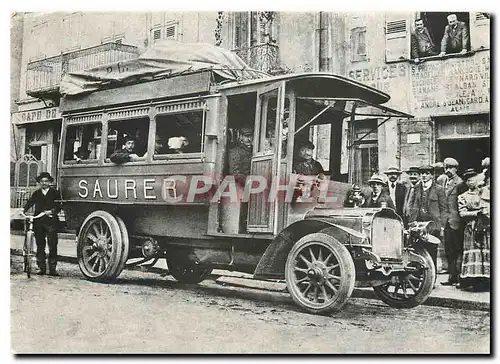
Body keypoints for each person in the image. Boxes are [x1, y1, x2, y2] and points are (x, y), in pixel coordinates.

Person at [408, 165, 448, 272]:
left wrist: (442, 226)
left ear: (431, 175)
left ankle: (431, 277)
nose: (424, 176)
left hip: (433, 226)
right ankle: (419, 278)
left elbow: (444, 209)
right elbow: (413, 206)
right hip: (418, 225)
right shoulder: (417, 188)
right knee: (417, 251)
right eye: (422, 174)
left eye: (427, 173)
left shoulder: (439, 189)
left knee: (431, 252)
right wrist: (412, 222)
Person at [21, 172, 61, 276]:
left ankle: (52, 269)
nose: (44, 183)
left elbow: (59, 206)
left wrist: (51, 211)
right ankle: (41, 268)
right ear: (39, 182)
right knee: (40, 246)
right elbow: (30, 203)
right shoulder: (37, 193)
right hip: (38, 222)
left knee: (52, 245)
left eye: (46, 181)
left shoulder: (55, 193)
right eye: (42, 181)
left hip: (51, 222)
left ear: (49, 182)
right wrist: (23, 210)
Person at [457, 168, 490, 291]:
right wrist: (477, 213)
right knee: (474, 252)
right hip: (471, 227)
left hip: (486, 226)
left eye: (472, 180)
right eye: (468, 180)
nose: (470, 182)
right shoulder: (463, 196)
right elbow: (462, 213)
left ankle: (486, 280)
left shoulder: (484, 193)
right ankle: (473, 281)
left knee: (485, 252)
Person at [441, 157, 464, 286]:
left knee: (457, 249)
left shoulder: (460, 183)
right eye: (446, 167)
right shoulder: (443, 181)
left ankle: (460, 277)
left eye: (450, 167)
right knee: (448, 250)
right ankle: (452, 277)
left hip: (456, 221)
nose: (448, 170)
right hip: (445, 221)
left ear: (456, 169)